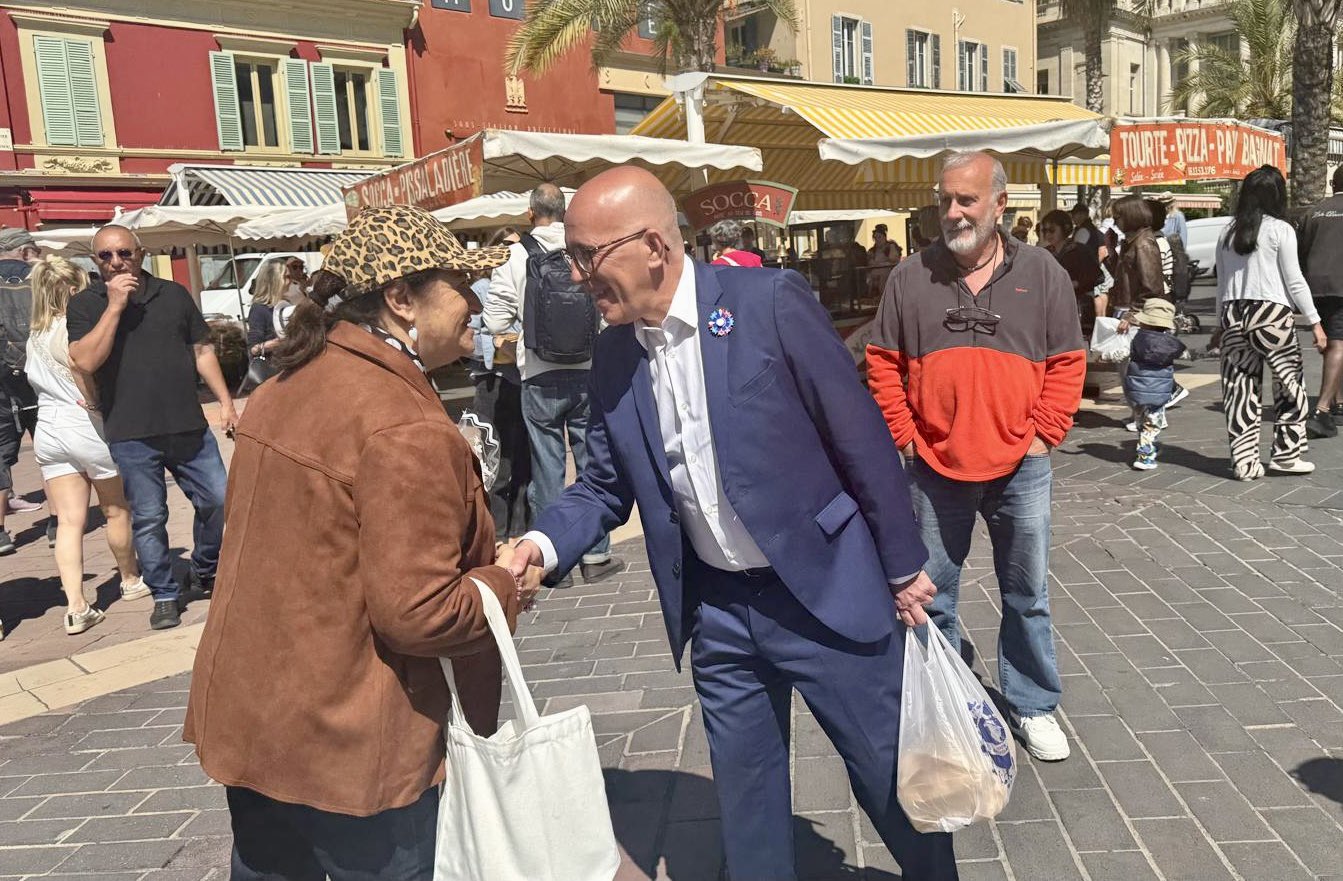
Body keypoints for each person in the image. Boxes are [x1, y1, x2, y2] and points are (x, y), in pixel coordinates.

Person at [506, 167, 957, 881]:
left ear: (653, 244)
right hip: (717, 609)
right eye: (571, 255)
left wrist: (902, 566)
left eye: (588, 255)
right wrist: (535, 543)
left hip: (823, 590)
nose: (575, 273)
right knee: (746, 805)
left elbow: (859, 438)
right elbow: (600, 482)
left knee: (888, 777)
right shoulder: (616, 352)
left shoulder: (767, 302)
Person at [184, 205, 543, 879]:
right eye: (458, 285)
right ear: (400, 298)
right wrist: (502, 582)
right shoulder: (400, 422)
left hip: (257, 722)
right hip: (352, 744)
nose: (474, 302)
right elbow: (421, 611)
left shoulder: (284, 386)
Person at [867, 151, 1086, 762]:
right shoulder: (911, 276)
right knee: (932, 594)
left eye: (966, 199)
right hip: (934, 465)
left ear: (1000, 204)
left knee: (1027, 592)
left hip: (1023, 464)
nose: (953, 211)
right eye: (945, 200)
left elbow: (1068, 360)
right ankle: (952, 703)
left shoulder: (1042, 273)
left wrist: (1046, 432)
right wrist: (906, 436)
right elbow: (884, 363)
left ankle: (1032, 703)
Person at [67, 225, 237, 631]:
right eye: (105, 257)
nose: (116, 263)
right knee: (148, 516)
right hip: (131, 430)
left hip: (186, 423)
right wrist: (114, 306)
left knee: (217, 498)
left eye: (123, 253)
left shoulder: (173, 294)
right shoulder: (86, 305)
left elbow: (201, 349)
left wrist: (227, 402)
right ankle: (163, 593)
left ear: (140, 254)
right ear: (96, 262)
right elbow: (85, 361)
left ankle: (203, 567)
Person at [482, 183, 616, 585]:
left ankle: (553, 561)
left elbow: (494, 322)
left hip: (539, 375)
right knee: (591, 465)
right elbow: (608, 313)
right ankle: (596, 555)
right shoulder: (584, 247)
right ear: (565, 211)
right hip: (589, 372)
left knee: (547, 469)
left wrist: (524, 332)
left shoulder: (516, 255)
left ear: (530, 213)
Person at [25, 256, 149, 635]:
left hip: (49, 429)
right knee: (115, 509)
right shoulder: (77, 329)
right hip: (86, 424)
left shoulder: (36, 334)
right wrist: (94, 401)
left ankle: (76, 605)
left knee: (68, 521)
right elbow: (83, 368)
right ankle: (129, 580)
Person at [1215, 165, 1328, 481]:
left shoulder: (1227, 231)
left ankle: (1245, 463)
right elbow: (1295, 282)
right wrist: (1315, 322)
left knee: (1239, 392)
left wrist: (1219, 326)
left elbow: (1223, 281)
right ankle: (1286, 455)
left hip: (1233, 313)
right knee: (1290, 388)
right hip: (1272, 316)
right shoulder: (1281, 229)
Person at [469, 227, 531, 539]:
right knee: (494, 457)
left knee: (522, 455)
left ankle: (520, 525)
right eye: (506, 246)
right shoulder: (482, 287)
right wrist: (500, 342)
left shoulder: (528, 282)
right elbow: (477, 339)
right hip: (492, 380)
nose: (511, 252)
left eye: (517, 246)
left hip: (520, 378)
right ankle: (496, 528)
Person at [0, 227, 50, 557]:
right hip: (41, 374)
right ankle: (59, 523)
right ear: (25, 250)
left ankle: (1, 533)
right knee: (49, 450)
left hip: (1, 381)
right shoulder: (43, 278)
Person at [1297, 164, 1343, 440]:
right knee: (1338, 343)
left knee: (1334, 343)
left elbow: (1300, 252)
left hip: (1315, 287)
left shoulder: (1314, 212)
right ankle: (1322, 411)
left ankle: (1337, 402)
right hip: (1341, 286)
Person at [1122, 298, 1187, 471]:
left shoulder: (1138, 338)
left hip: (1136, 390)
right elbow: (1182, 350)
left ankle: (1149, 446)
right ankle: (1145, 457)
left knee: (1142, 422)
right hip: (1158, 393)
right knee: (1151, 425)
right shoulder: (1169, 343)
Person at [1037, 209, 1104, 337]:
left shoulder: (1079, 250)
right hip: (1052, 308)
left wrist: (1076, 283)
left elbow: (1097, 276)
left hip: (1077, 307)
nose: (1047, 234)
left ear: (1065, 229)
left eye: (1052, 230)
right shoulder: (1044, 253)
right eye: (1044, 231)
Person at [1111, 196, 1163, 322]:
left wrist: (1133, 313)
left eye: (1117, 218)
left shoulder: (1143, 244)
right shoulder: (1133, 242)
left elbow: (1152, 288)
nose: (1114, 223)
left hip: (1134, 314)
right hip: (1126, 310)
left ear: (1130, 216)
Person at [245, 259, 288, 360]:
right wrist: (275, 343)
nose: (291, 281)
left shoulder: (285, 304)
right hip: (273, 367)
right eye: (287, 277)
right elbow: (253, 348)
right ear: (276, 280)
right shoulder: (259, 309)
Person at [867, 223, 901, 299]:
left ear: (884, 237)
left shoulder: (890, 247)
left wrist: (882, 263)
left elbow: (893, 259)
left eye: (879, 237)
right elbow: (871, 263)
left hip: (889, 277)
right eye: (875, 238)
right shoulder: (872, 251)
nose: (877, 240)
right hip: (875, 279)